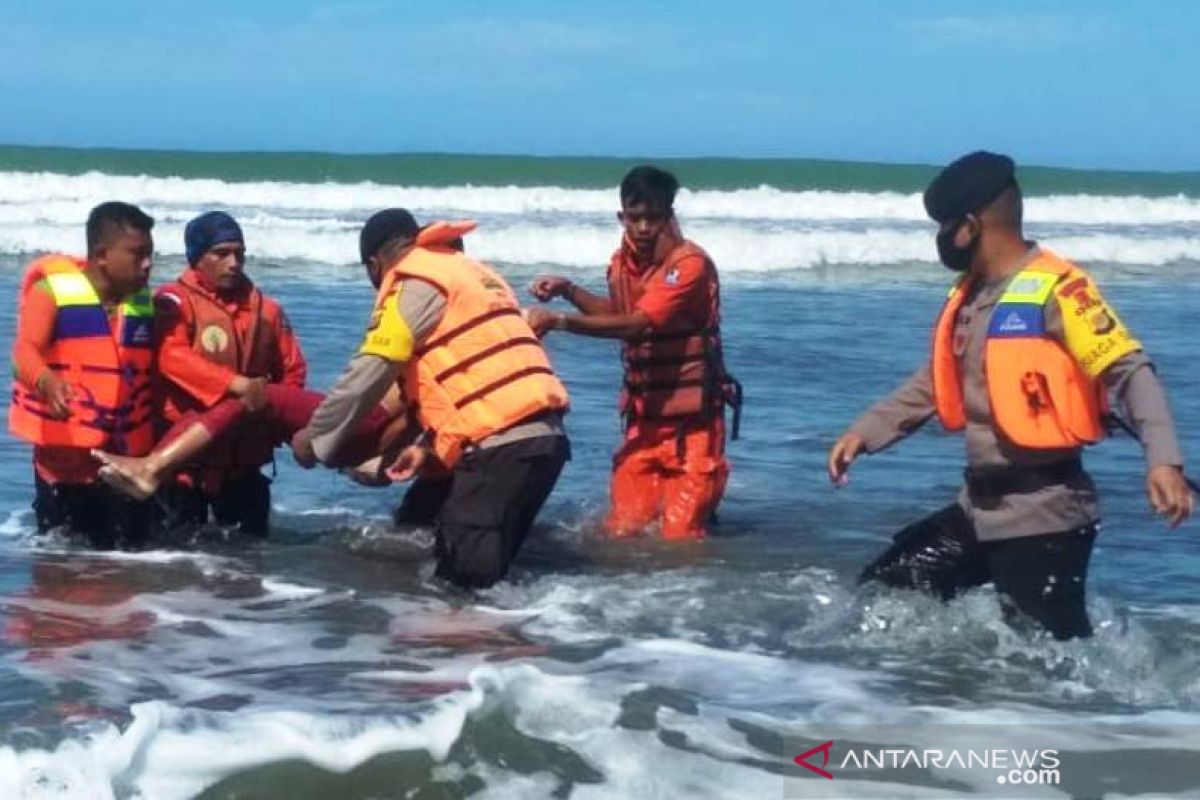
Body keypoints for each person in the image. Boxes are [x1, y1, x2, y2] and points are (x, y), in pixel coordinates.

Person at [827, 151, 1194, 640]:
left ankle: (1106, 715)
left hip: (1046, 516)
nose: (940, 239)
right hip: (978, 509)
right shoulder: (973, 295)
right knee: (884, 590)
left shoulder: (1060, 291)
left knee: (1046, 663)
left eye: (945, 227)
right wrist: (864, 433)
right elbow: (934, 383)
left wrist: (1163, 461)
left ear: (971, 226)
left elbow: (1131, 371)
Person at [290, 210, 571, 589]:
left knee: (462, 590)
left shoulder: (413, 282)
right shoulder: (472, 274)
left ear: (374, 264)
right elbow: (459, 381)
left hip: (498, 449)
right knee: (484, 578)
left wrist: (317, 440)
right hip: (544, 441)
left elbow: (369, 373)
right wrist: (417, 451)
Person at [526, 165, 741, 540]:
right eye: (635, 217)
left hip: (695, 423)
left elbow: (638, 324)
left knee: (680, 535)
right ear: (621, 215)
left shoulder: (688, 266)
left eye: (653, 218)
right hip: (644, 418)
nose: (643, 228)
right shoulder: (621, 263)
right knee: (622, 530)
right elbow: (618, 314)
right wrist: (570, 291)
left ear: (669, 216)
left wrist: (559, 321)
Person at [8, 202, 157, 549]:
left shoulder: (142, 304)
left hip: (124, 470)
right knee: (64, 580)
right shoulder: (51, 294)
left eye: (151, 254)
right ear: (102, 254)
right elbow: (23, 353)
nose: (148, 264)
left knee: (132, 576)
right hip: (65, 471)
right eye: (138, 254)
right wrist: (47, 383)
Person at [152, 211, 307, 537]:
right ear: (196, 258)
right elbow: (170, 356)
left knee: (250, 567)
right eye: (221, 253)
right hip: (184, 467)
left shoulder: (269, 310)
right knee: (169, 568)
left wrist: (277, 418)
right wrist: (235, 386)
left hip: (245, 466)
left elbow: (292, 372)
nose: (234, 262)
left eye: (239, 253)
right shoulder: (174, 301)